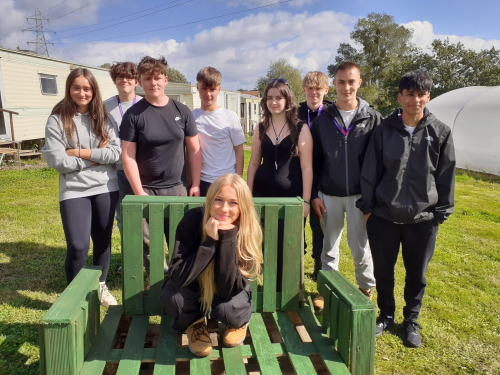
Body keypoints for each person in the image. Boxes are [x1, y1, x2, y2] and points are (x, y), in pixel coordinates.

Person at [357, 71, 456, 348]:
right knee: (383, 271)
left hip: (422, 220)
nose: (415, 99)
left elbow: (446, 176)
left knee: (417, 274)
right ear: (400, 97)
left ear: (428, 96)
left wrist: (440, 214)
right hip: (383, 217)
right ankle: (386, 315)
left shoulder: (440, 132)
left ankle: (411, 320)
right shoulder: (383, 130)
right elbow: (370, 172)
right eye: (409, 94)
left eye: (420, 94)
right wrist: (369, 209)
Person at [42, 68, 120, 307]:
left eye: (87, 88)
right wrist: (96, 158)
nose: (82, 93)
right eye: (76, 87)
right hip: (74, 190)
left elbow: (115, 153)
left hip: (106, 187)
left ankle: (100, 286)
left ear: (93, 90)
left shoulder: (103, 118)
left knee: (102, 241)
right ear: (69, 89)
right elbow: (57, 161)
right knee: (77, 246)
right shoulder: (57, 119)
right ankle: (74, 297)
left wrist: (76, 152)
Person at [161, 174, 262, 357]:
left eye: (233, 203)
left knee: (227, 309)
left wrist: (228, 239)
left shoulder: (245, 229)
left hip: (229, 291)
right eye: (218, 200)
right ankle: (195, 323)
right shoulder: (192, 220)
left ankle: (239, 322)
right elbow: (177, 277)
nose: (224, 209)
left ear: (242, 207)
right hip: (193, 287)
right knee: (173, 298)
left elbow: (227, 289)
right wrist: (209, 244)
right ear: (210, 199)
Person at [120, 56, 201, 276]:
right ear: (140, 82)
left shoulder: (182, 111)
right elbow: (127, 156)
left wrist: (194, 183)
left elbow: (194, 149)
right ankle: (155, 281)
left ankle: (180, 280)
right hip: (146, 189)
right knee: (148, 244)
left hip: (177, 188)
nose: (153, 83)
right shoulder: (133, 115)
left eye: (157, 78)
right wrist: (139, 193)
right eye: (147, 79)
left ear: (166, 80)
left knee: (180, 239)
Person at [310, 62, 381, 310]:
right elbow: (315, 161)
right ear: (334, 85)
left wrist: (373, 197)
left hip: (359, 196)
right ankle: (328, 290)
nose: (346, 87)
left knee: (360, 247)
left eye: (351, 81)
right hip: (328, 194)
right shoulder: (322, 120)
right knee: (328, 247)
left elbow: (379, 161)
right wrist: (313, 195)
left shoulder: (372, 117)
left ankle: (365, 288)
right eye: (341, 82)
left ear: (359, 83)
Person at [247, 79, 313, 290]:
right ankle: (270, 288)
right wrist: (247, 195)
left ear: (287, 100)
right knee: (266, 244)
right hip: (262, 196)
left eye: (278, 98)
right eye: (269, 98)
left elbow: (307, 168)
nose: (273, 102)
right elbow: (254, 163)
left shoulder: (300, 128)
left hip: (291, 199)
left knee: (291, 245)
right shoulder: (260, 128)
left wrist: (306, 200)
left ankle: (292, 289)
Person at [298, 71, 333, 278]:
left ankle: (319, 268)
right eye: (310, 88)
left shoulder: (332, 113)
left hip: (323, 177)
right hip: (298, 176)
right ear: (304, 90)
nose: (314, 92)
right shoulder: (295, 112)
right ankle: (297, 267)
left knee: (320, 226)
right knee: (297, 225)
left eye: (318, 88)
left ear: (326, 90)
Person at [192, 67, 246, 196]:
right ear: (197, 88)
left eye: (212, 89)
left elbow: (239, 150)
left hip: (226, 181)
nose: (208, 94)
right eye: (204, 88)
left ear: (219, 89)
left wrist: (237, 181)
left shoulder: (230, 116)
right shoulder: (191, 117)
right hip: (201, 181)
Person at [104, 62, 142, 236]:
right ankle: (129, 261)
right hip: (117, 171)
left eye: (130, 77)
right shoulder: (103, 107)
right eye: (120, 77)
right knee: (123, 218)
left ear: (137, 81)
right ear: (115, 81)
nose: (125, 80)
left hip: (143, 171)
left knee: (147, 217)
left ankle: (153, 260)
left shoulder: (145, 104)